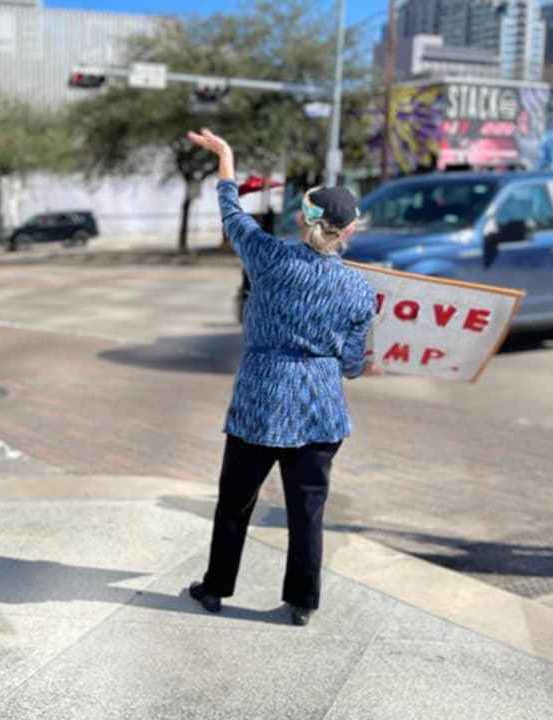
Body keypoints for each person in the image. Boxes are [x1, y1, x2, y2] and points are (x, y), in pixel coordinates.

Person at [183, 128, 376, 627]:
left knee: (234, 503)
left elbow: (232, 214)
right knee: (307, 511)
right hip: (320, 406)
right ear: (349, 230)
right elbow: (353, 363)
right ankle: (303, 601)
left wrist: (226, 156)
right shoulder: (359, 290)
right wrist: (357, 364)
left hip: (261, 398)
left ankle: (214, 588)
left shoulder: (268, 260)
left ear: (301, 218)